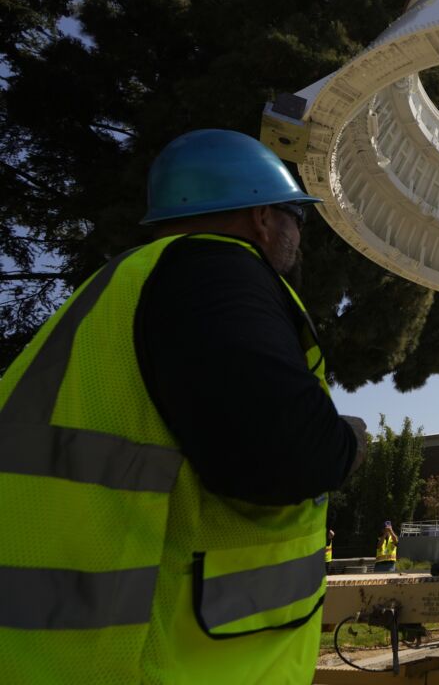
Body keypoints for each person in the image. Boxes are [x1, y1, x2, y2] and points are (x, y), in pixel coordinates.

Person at [0, 129, 367, 683]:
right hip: (162, 660)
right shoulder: (214, 270)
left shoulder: (123, 289)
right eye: (299, 219)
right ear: (263, 216)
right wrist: (350, 441)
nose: (299, 236)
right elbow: (283, 453)